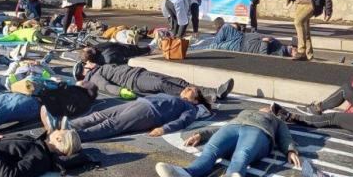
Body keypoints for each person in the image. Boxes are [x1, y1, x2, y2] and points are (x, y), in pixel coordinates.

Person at [154, 106, 300, 177]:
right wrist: (201, 134)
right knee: (210, 149)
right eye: (267, 106)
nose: (268, 108)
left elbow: (285, 137)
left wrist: (290, 150)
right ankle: (184, 173)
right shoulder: (246, 111)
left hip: (258, 131)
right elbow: (222, 127)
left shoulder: (277, 121)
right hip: (232, 127)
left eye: (271, 108)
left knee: (242, 154)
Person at [52, 88, 211, 143]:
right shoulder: (176, 97)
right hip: (140, 103)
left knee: (111, 125)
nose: (187, 88)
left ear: (196, 100)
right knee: (99, 115)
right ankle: (66, 126)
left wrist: (164, 128)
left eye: (192, 90)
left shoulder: (191, 107)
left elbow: (184, 121)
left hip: (150, 113)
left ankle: (72, 137)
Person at [74, 61, 234, 103]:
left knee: (176, 81)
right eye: (86, 64)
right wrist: (122, 92)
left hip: (140, 72)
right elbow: (107, 87)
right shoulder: (93, 77)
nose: (89, 62)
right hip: (134, 81)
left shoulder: (101, 66)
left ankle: (213, 92)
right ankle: (204, 97)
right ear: (84, 71)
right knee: (162, 85)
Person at [195, 18, 295, 57]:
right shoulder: (282, 46)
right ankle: (209, 44)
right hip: (241, 36)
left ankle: (191, 49)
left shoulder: (280, 53)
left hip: (240, 46)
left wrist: (265, 42)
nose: (294, 49)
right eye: (295, 48)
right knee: (226, 27)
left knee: (213, 47)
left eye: (295, 51)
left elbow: (263, 55)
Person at [80, 42, 151, 65]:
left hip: (122, 48)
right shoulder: (107, 57)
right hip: (129, 50)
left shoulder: (96, 53)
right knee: (146, 49)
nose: (91, 46)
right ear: (93, 52)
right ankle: (150, 47)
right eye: (90, 48)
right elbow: (124, 60)